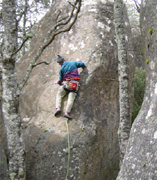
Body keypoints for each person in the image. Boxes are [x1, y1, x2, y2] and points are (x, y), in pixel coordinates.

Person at [54, 55, 86, 119]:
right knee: (71, 99)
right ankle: (67, 113)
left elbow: (61, 79)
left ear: (60, 63)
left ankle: (58, 108)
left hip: (66, 84)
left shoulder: (62, 69)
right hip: (74, 84)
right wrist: (79, 62)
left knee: (59, 95)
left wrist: (58, 82)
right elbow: (83, 64)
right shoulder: (73, 63)